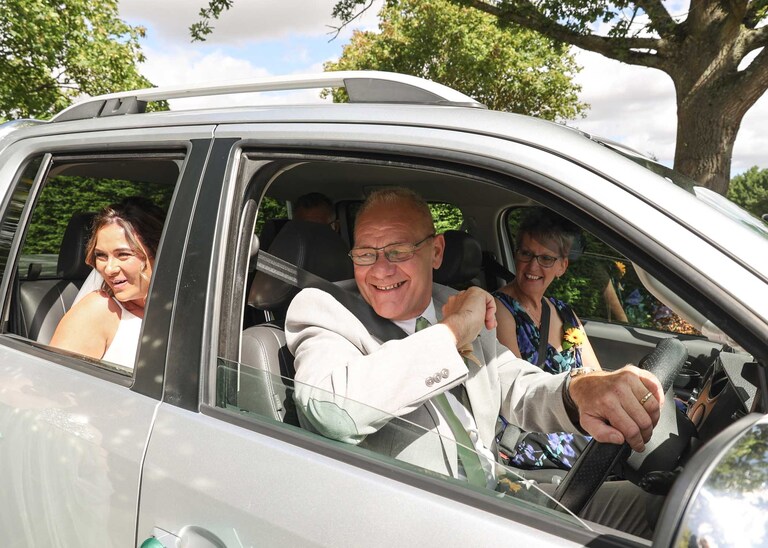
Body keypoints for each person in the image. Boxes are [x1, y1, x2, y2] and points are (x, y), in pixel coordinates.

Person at [285, 188, 664, 537]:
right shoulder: (323, 309)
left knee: (657, 509)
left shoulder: (454, 300)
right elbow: (332, 410)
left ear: (436, 251)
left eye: (398, 252)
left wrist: (578, 390)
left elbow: (514, 383)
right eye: (366, 254)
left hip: (500, 491)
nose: (381, 269)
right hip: (426, 521)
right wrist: (451, 334)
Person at [493, 209, 600, 470]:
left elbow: (595, 376)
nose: (532, 267)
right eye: (526, 254)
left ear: (562, 266)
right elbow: (516, 397)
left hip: (577, 425)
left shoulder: (565, 312)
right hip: (533, 435)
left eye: (546, 259)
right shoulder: (499, 310)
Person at [50, 197, 165, 369]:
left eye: (123, 254)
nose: (109, 269)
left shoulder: (198, 311)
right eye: (101, 256)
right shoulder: (98, 310)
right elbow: (50, 383)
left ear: (158, 252)